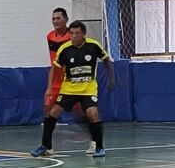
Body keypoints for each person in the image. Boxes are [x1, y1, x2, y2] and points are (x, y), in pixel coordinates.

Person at [31, 20, 114, 159]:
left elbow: (106, 60)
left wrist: (111, 79)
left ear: (84, 34)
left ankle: (99, 147)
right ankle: (45, 146)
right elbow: (54, 68)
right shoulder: (64, 49)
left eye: (77, 33)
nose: (74, 36)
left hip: (88, 89)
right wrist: (50, 87)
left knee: (93, 113)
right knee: (53, 112)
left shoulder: (93, 46)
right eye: (71, 33)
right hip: (69, 89)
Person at [43, 7, 71, 110]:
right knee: (47, 103)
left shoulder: (72, 36)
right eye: (53, 19)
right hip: (55, 77)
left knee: (78, 107)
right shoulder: (50, 36)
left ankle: (90, 123)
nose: (55, 21)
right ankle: (48, 124)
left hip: (70, 77)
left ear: (66, 19)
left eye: (58, 18)